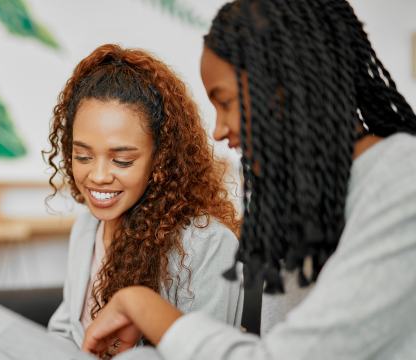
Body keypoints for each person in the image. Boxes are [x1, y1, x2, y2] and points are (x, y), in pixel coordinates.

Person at [82, 0, 416, 359]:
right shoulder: (306, 202)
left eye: (225, 102)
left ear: (287, 87)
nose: (218, 130)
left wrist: (142, 306)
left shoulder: (403, 180)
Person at [44, 44, 244, 352]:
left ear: (160, 159)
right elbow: (67, 326)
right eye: (82, 156)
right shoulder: (87, 228)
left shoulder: (206, 245)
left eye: (122, 161)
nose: (97, 176)